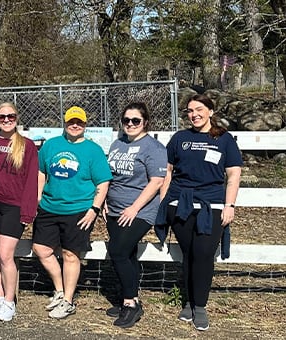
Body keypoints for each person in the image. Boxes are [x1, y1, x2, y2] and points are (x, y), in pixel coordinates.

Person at [157, 94, 242, 331]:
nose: (194, 114)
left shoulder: (224, 139)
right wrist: (165, 203)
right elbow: (168, 171)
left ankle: (200, 305)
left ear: (211, 111)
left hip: (211, 205)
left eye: (199, 109)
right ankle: (188, 301)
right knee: (189, 254)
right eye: (190, 111)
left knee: (204, 253)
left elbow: (233, 175)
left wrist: (230, 205)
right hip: (180, 204)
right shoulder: (180, 138)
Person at [33, 106, 112, 319]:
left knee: (70, 254)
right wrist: (38, 196)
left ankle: (68, 300)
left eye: (79, 122)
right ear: (65, 123)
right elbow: (41, 171)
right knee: (41, 249)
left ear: (85, 125)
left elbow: (103, 182)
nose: (75, 125)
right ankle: (59, 290)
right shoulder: (51, 145)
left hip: (78, 209)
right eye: (71, 122)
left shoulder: (92, 150)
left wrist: (94, 209)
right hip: (49, 207)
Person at [103, 102, 167, 328]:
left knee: (118, 251)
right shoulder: (117, 144)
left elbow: (156, 182)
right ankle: (129, 297)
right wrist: (104, 202)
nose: (130, 124)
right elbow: (110, 176)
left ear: (145, 122)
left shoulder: (154, 148)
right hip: (114, 208)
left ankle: (131, 304)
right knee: (127, 253)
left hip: (140, 210)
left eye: (135, 121)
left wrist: (134, 208)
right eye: (126, 120)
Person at [0, 102, 39, 322]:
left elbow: (32, 179)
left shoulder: (27, 145)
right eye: (2, 116)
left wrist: (28, 211)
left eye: (10, 116)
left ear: (17, 117)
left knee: (6, 255)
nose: (6, 119)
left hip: (14, 206)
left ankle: (9, 301)